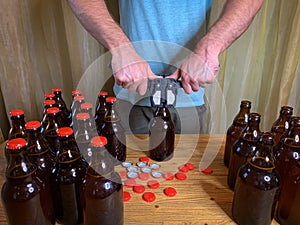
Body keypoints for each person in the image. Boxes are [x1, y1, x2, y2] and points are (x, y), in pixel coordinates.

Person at [67, 0, 264, 134]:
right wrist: (120, 48)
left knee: (190, 187)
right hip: (131, 100)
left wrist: (210, 48)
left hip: (190, 102)